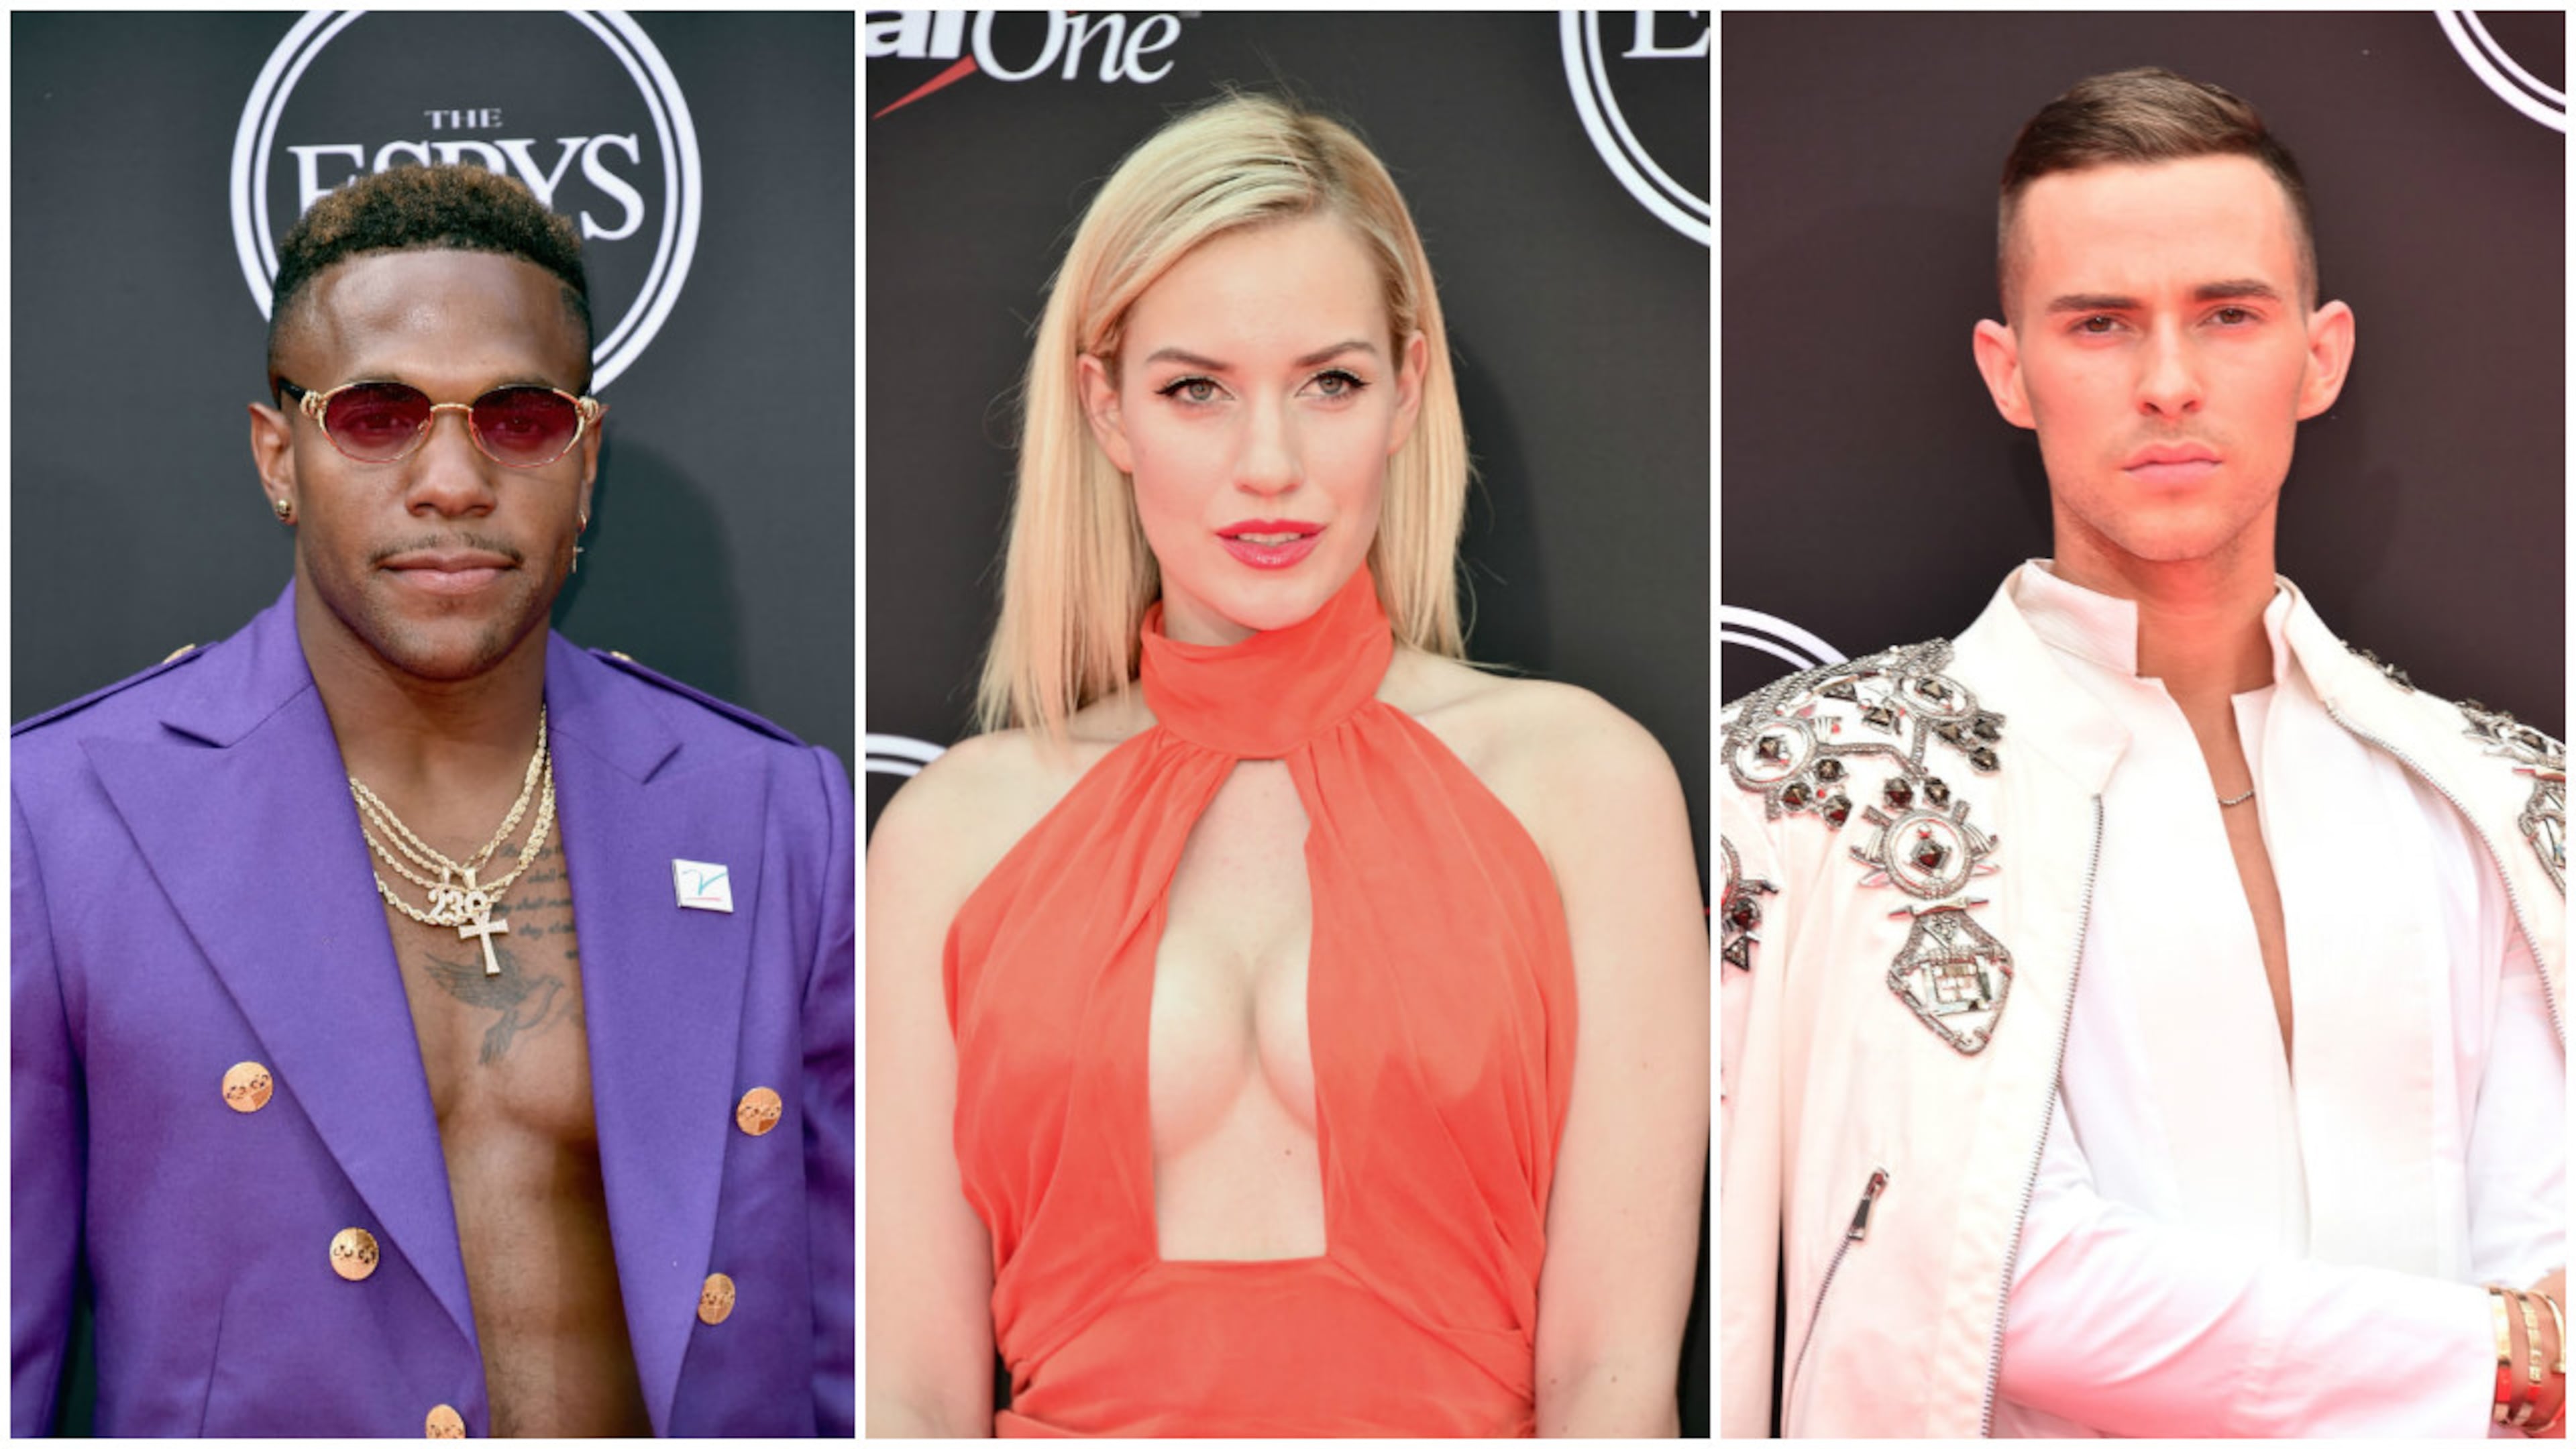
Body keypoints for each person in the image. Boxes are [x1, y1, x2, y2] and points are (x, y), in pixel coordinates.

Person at [1719, 67, 2565, 1437]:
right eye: (2102, 324)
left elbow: (2547, 1244)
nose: (2168, 383)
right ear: (2010, 370)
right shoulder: (1839, 783)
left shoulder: (2492, 797)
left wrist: (2526, 1349)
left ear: (2320, 353)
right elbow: (1990, 1284)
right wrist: (2506, 1355)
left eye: (2227, 316)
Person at [866, 92, 1709, 1437]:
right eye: (1196, 388)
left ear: (1406, 390)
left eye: (1330, 382)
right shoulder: (951, 833)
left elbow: (1611, 1381)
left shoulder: (1587, 789)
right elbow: (907, 1400)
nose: (1272, 465)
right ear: (1106, 406)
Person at [10, 164, 855, 1438]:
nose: (452, 480)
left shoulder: (774, 814)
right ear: (277, 454)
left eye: (517, 418)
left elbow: (864, 1353)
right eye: (376, 415)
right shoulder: (62, 822)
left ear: (584, 459)